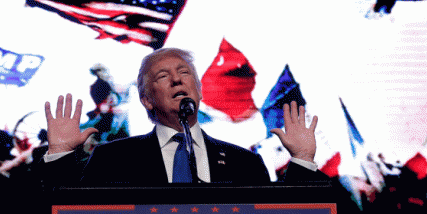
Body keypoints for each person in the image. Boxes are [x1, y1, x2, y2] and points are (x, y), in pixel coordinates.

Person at [41, 48, 326, 186]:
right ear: (146, 100)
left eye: (185, 74)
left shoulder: (244, 162)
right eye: (163, 77)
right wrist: (60, 155)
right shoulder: (112, 158)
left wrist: (301, 161)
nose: (177, 81)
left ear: (200, 94)